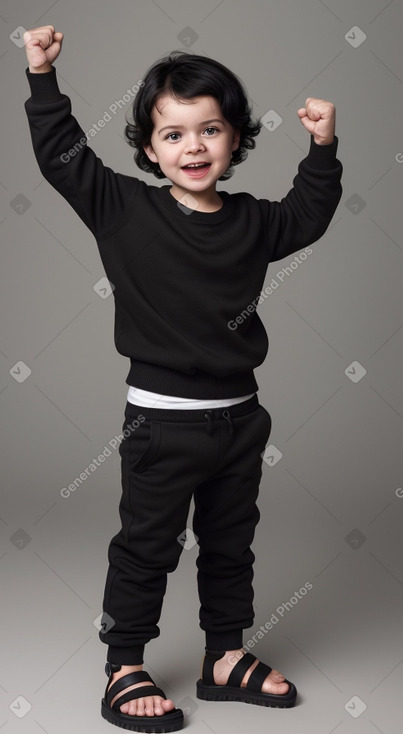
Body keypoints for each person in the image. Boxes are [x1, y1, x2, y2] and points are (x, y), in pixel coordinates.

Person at [23, 25, 342, 733]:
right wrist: (42, 78)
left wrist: (321, 148)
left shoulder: (255, 222)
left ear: (234, 142)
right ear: (146, 148)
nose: (192, 147)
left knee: (231, 543)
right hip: (161, 423)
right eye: (172, 135)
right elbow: (62, 157)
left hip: (240, 420)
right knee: (147, 546)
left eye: (210, 130)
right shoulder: (122, 208)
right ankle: (124, 664)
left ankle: (223, 657)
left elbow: (308, 214)